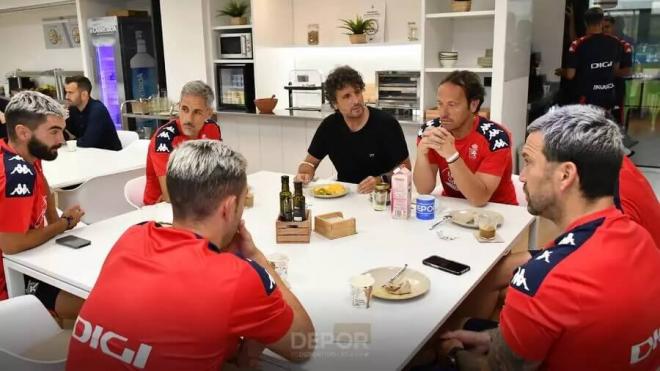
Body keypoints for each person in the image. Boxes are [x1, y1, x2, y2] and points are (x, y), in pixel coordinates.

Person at [438, 105, 660, 370]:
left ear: (565, 175)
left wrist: (450, 353)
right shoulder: (641, 239)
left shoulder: (541, 279)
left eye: (529, 162)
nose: (522, 177)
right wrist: (493, 339)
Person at [67, 140, 315, 370]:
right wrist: (257, 258)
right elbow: (303, 346)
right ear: (229, 207)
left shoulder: (132, 237)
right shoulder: (236, 278)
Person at [0, 91, 85, 319]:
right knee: (94, 304)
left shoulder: (23, 155)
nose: (62, 140)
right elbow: (12, 245)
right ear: (23, 132)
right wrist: (63, 224)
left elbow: (43, 183)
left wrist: (55, 219)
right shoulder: (17, 175)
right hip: (10, 278)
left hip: (26, 260)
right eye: (54, 131)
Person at [295, 66, 410, 193]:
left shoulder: (386, 123)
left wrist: (381, 180)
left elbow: (405, 168)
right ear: (335, 104)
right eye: (347, 96)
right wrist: (304, 173)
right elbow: (309, 163)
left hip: (383, 197)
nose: (355, 100)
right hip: (346, 196)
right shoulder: (329, 126)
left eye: (357, 92)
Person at [414, 70, 517, 206]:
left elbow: (479, 199)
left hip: (499, 210)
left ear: (473, 105)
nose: (443, 113)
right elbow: (423, 189)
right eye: (440, 104)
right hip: (454, 207)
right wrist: (421, 154)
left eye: (452, 105)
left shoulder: (496, 138)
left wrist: (451, 156)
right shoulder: (431, 130)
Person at [143, 80, 222, 205]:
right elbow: (170, 196)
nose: (188, 119)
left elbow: (220, 173)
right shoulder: (164, 139)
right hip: (160, 210)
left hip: (198, 202)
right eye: (184, 109)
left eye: (197, 112)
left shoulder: (212, 129)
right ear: (179, 107)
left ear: (208, 113)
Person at [561, 7, 623, 110]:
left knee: (587, 124)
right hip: (608, 96)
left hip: (587, 98)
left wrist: (562, 72)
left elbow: (570, 75)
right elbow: (615, 70)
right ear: (602, 22)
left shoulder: (578, 45)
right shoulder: (615, 42)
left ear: (585, 23)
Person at [64, 75, 122, 151]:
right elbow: (64, 135)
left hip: (109, 156)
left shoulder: (97, 110)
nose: (66, 96)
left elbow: (88, 142)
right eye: (66, 92)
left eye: (70, 93)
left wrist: (71, 140)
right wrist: (59, 120)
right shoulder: (72, 109)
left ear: (84, 95)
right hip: (87, 154)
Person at [603, 15, 633, 124]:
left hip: (616, 90)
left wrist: (607, 72)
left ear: (614, 27)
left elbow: (627, 71)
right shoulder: (594, 45)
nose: (604, 30)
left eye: (607, 27)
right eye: (602, 27)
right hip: (596, 92)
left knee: (615, 123)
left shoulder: (623, 46)